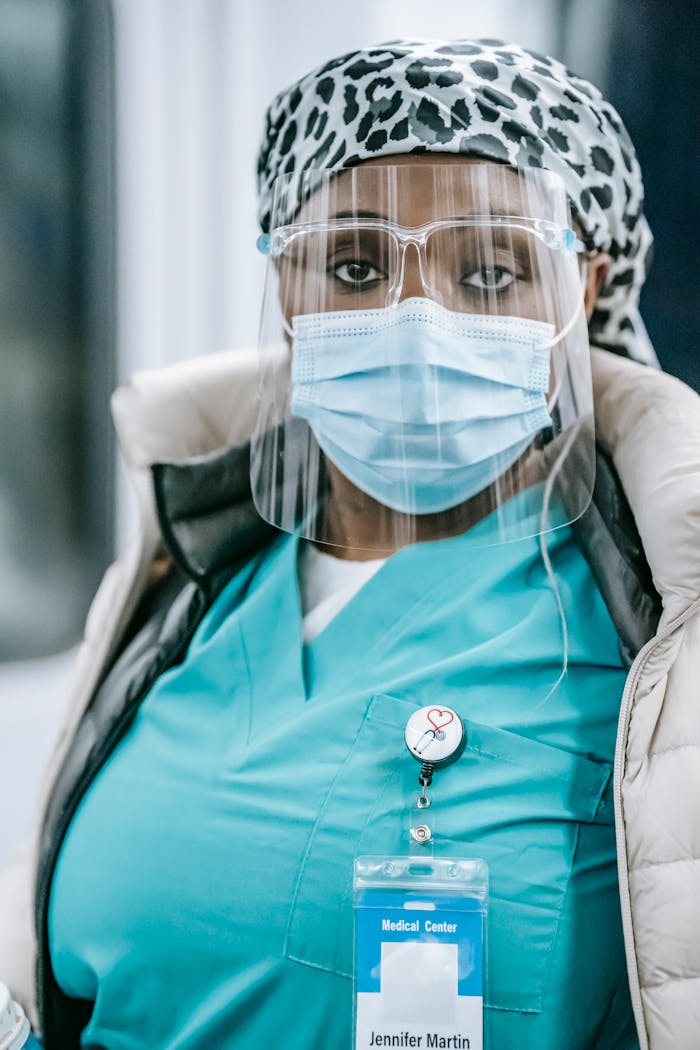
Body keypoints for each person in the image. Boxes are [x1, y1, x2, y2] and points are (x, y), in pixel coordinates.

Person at [1, 38, 699, 1050]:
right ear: (288, 287)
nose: (415, 321)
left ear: (580, 291)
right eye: (356, 264)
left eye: (491, 268)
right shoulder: (186, 580)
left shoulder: (652, 628)